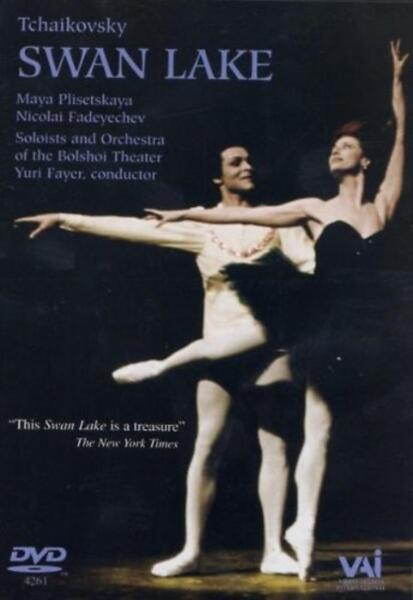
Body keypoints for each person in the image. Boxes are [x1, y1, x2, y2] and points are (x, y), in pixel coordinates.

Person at [143, 39, 408, 580]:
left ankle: (298, 531)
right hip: (327, 323)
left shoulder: (383, 205)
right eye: (332, 147)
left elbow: (404, 137)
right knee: (317, 428)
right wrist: (186, 214)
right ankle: (302, 532)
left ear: (365, 159)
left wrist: (397, 87)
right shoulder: (313, 208)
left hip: (374, 326)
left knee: (326, 428)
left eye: (345, 146)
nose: (335, 151)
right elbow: (248, 215)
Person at [16, 146, 315, 578]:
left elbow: (313, 267)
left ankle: (273, 549)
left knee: (276, 447)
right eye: (235, 162)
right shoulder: (199, 224)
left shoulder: (279, 221)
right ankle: (191, 550)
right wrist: (66, 218)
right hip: (216, 350)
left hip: (269, 350)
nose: (248, 166)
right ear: (217, 177)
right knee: (206, 448)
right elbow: (134, 229)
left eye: (251, 160)